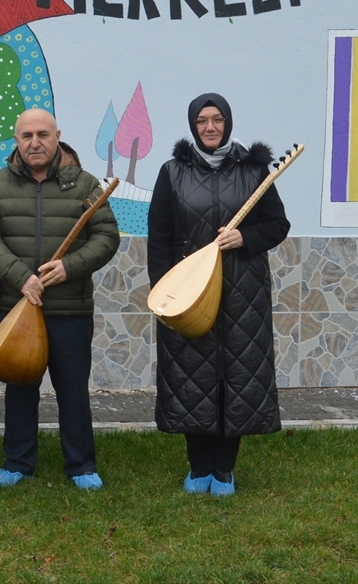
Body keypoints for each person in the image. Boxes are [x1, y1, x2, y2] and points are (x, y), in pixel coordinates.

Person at [147, 93, 290, 496]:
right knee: (192, 376)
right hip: (189, 291)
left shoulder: (254, 170)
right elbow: (159, 237)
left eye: (217, 120)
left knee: (236, 376)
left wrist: (245, 236)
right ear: (192, 126)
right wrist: (166, 289)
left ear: (228, 122)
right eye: (202, 121)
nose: (210, 128)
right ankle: (199, 467)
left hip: (242, 293)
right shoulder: (172, 172)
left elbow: (278, 225)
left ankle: (224, 469)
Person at [0, 108, 119, 490]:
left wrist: (69, 267)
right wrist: (22, 277)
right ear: (16, 140)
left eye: (42, 134)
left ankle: (81, 464)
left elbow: (106, 237)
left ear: (57, 136)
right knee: (20, 387)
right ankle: (18, 461)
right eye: (26, 136)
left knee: (73, 389)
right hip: (18, 307)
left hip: (69, 308)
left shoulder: (86, 184)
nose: (34, 142)